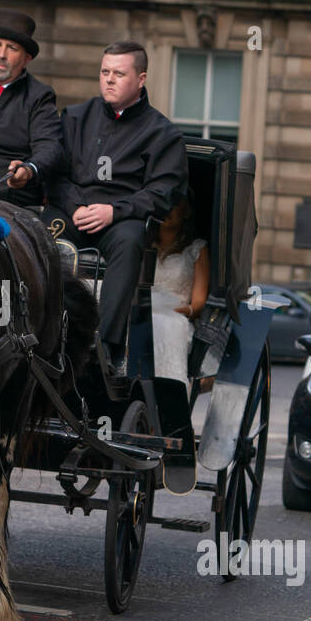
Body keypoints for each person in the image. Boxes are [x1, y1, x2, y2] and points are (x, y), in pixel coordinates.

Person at [47, 41, 188, 375]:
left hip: (121, 218)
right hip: (71, 211)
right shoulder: (75, 117)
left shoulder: (162, 133)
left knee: (130, 241)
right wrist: (76, 205)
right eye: (104, 72)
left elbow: (165, 190)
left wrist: (113, 210)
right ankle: (40, 333)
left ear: (140, 79)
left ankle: (104, 347)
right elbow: (55, 175)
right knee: (35, 235)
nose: (108, 80)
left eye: (119, 74)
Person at [0, 8, 65, 210]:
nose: (2, 55)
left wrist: (29, 169)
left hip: (13, 204)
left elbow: (50, 147)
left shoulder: (39, 96)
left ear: (27, 58)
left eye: (12, 48)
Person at [152, 197, 209, 385]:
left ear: (185, 211)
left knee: (163, 325)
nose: (168, 209)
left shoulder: (197, 248)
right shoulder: (142, 245)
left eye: (174, 203)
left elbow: (198, 303)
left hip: (176, 317)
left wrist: (168, 312)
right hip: (140, 313)